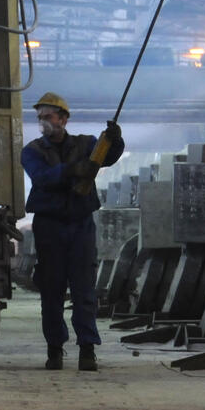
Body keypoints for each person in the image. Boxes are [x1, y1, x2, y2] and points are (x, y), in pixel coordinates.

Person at [20, 92, 124, 371]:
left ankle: (87, 349)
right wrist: (72, 170)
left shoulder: (86, 144)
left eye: (48, 116)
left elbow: (107, 157)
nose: (43, 121)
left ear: (63, 119)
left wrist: (115, 140)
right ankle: (55, 349)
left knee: (84, 289)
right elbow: (41, 177)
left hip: (80, 224)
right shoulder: (32, 151)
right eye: (40, 117)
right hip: (50, 226)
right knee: (52, 290)